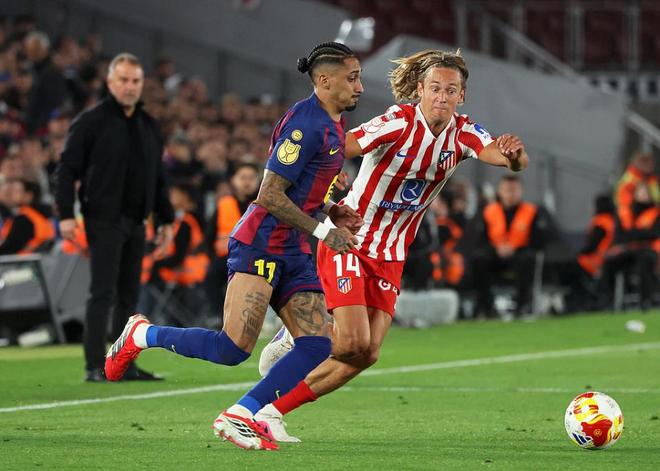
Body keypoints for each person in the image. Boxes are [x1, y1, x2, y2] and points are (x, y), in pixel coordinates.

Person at [255, 49, 529, 443]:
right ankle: (301, 334)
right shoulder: (397, 121)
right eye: (435, 88)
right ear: (419, 90)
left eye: (451, 90)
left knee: (366, 354)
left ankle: (271, 412)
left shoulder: (463, 133)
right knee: (351, 342)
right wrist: (322, 177)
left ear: (461, 96)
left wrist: (515, 157)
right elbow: (342, 144)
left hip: (392, 254)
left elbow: (506, 159)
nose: (442, 96)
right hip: (350, 241)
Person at [104, 42, 364, 450]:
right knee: (232, 348)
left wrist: (332, 210)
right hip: (262, 243)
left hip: (294, 248)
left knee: (318, 343)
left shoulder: (333, 124)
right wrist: (323, 231)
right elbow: (269, 194)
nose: (359, 87)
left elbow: (302, 190)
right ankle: (143, 334)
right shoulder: (306, 124)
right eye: (352, 78)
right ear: (324, 80)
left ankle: (242, 413)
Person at [55, 52, 175, 383]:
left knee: (128, 296)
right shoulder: (90, 122)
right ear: (110, 82)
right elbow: (66, 170)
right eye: (123, 80)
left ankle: (123, 365)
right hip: (102, 219)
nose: (130, 86)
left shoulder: (149, 125)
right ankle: (95, 365)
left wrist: (165, 220)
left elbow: (157, 178)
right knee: (103, 292)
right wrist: (65, 214)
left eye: (135, 80)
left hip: (136, 221)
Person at [471, 175, 550, 318]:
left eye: (514, 190)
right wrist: (497, 248)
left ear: (521, 191)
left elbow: (538, 240)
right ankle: (486, 306)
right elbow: (481, 239)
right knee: (479, 259)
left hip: (519, 254)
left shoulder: (531, 211)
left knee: (527, 259)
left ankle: (522, 305)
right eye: (507, 190)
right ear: (500, 191)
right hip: (496, 255)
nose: (511, 194)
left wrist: (513, 248)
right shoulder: (489, 211)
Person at [138, 181, 208, 319]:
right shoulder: (188, 219)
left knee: (147, 283)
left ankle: (143, 320)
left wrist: (157, 264)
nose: (170, 198)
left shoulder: (187, 222)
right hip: (185, 270)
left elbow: (178, 256)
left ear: (185, 197)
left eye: (174, 194)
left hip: (186, 271)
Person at [203, 162, 260, 319]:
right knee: (211, 275)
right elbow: (209, 237)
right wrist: (212, 257)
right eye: (243, 177)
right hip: (226, 258)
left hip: (256, 259)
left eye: (251, 178)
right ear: (233, 180)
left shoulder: (263, 205)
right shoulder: (224, 204)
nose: (247, 182)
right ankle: (218, 316)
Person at [599, 182, 659, 310]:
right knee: (608, 264)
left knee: (644, 263)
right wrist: (640, 234)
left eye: (645, 193)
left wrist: (632, 234)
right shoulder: (625, 212)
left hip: (648, 250)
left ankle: (646, 300)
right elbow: (619, 236)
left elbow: (654, 233)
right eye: (640, 192)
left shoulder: (655, 213)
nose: (643, 195)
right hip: (628, 249)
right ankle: (608, 301)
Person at [0, 179, 55, 255]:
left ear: (28, 196)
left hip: (24, 260)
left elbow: (10, 247)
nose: (12, 194)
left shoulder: (24, 219)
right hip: (41, 258)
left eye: (16, 191)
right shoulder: (38, 214)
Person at [614, 151, 659, 231]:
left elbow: (656, 196)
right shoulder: (632, 178)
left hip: (644, 212)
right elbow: (623, 200)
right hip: (632, 212)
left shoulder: (650, 179)